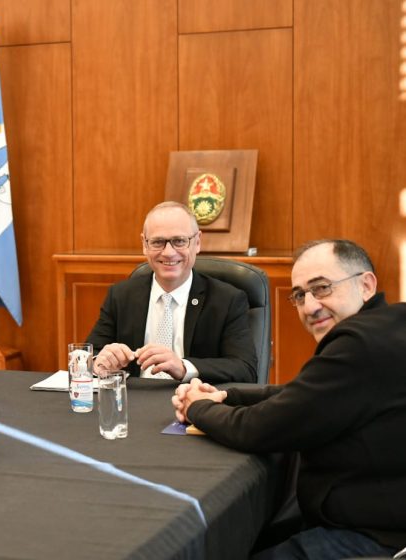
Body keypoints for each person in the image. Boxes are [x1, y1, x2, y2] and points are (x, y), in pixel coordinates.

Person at [172, 239, 406, 558]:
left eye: (321, 288)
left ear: (366, 285)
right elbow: (306, 396)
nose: (309, 306)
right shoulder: (391, 324)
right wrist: (227, 395)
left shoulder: (358, 345)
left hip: (374, 537)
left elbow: (259, 429)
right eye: (299, 295)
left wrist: (197, 408)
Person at [87, 201, 257, 383]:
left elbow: (245, 369)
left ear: (197, 242)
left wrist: (184, 367)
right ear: (144, 244)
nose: (168, 252)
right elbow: (88, 355)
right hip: (135, 397)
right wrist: (99, 362)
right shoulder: (121, 296)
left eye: (179, 241)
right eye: (158, 242)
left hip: (194, 397)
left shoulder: (227, 300)